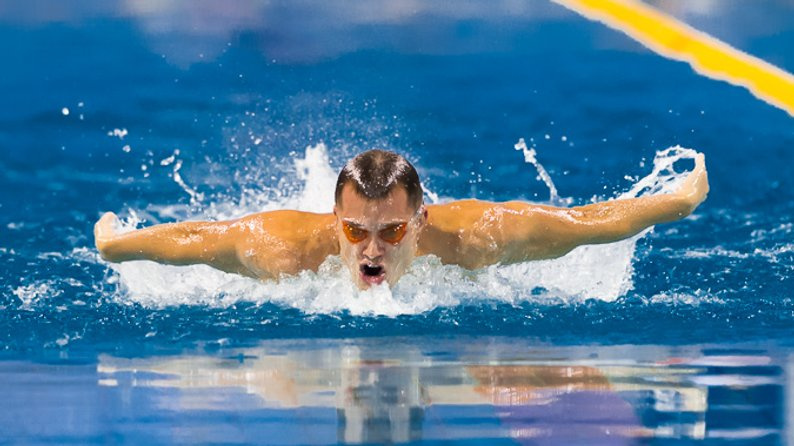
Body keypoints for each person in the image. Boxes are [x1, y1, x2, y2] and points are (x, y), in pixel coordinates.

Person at [95, 149, 708, 289]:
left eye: (390, 231)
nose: (370, 251)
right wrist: (116, 245)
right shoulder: (283, 249)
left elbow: (587, 222)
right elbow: (197, 239)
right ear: (335, 220)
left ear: (418, 222)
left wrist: (676, 202)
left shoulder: (472, 238)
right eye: (355, 230)